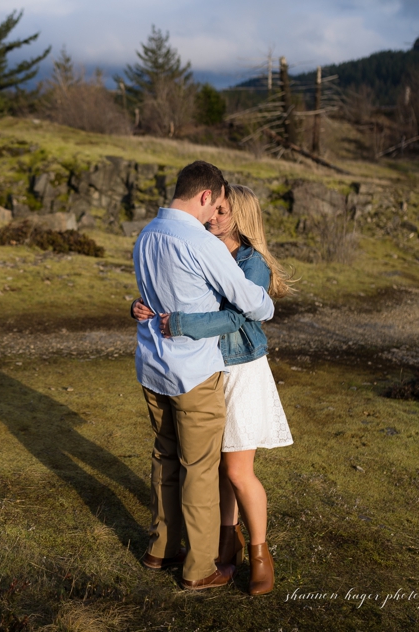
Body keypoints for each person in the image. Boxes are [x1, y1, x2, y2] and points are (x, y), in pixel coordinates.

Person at [131, 184, 292, 595]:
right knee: (214, 466)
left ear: (242, 216)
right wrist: (142, 305)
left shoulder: (250, 262)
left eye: (225, 211)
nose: (216, 217)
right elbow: (179, 294)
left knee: (237, 471)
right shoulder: (202, 249)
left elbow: (237, 318)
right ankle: (225, 541)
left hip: (239, 370)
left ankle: (260, 552)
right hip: (204, 371)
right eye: (215, 209)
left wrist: (180, 324)